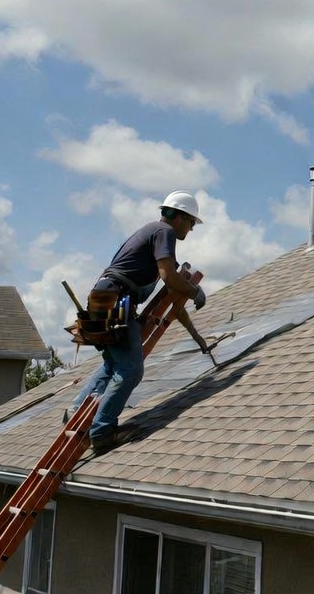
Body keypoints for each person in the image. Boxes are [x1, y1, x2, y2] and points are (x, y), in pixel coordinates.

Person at [70, 190, 208, 455]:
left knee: (113, 364)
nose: (191, 229)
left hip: (102, 297)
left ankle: (76, 412)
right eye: (191, 222)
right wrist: (194, 292)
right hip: (116, 298)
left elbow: (171, 298)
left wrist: (196, 334)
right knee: (131, 370)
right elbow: (168, 276)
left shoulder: (149, 232)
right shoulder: (164, 232)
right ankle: (102, 432)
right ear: (179, 217)